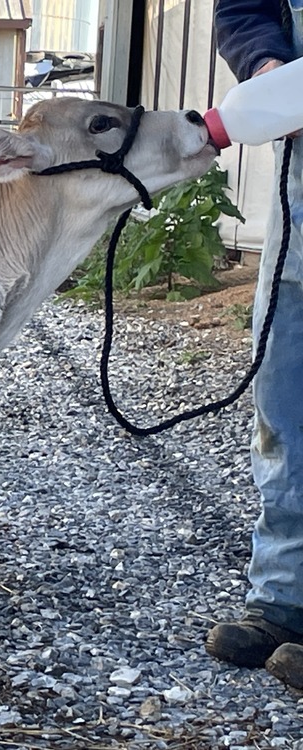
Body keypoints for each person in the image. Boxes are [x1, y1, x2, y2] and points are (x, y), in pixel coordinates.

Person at [205, 0, 303, 689]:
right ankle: (282, 599)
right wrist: (267, 68)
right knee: (284, 410)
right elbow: (244, 8)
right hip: (300, 213)